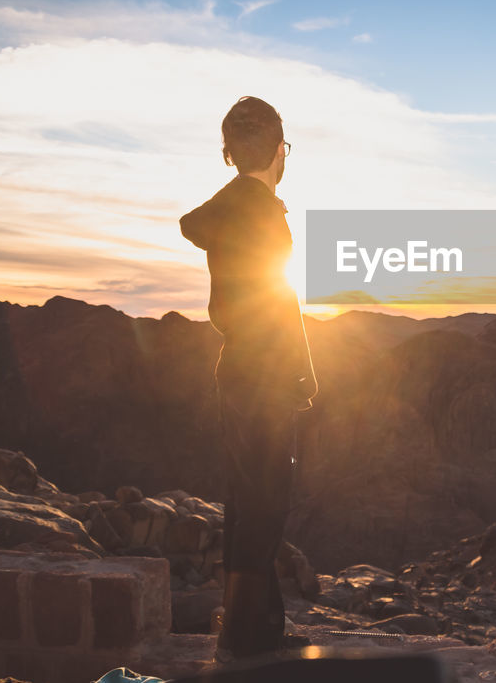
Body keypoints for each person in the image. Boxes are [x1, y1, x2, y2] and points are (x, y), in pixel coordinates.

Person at [179, 95, 318, 661]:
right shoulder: (260, 212)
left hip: (235, 367)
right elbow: (278, 301)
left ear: (231, 152)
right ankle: (244, 637)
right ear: (279, 150)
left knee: (247, 496)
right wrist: (301, 371)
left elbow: (196, 225)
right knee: (267, 501)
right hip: (263, 374)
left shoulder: (233, 207)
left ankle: (254, 627)